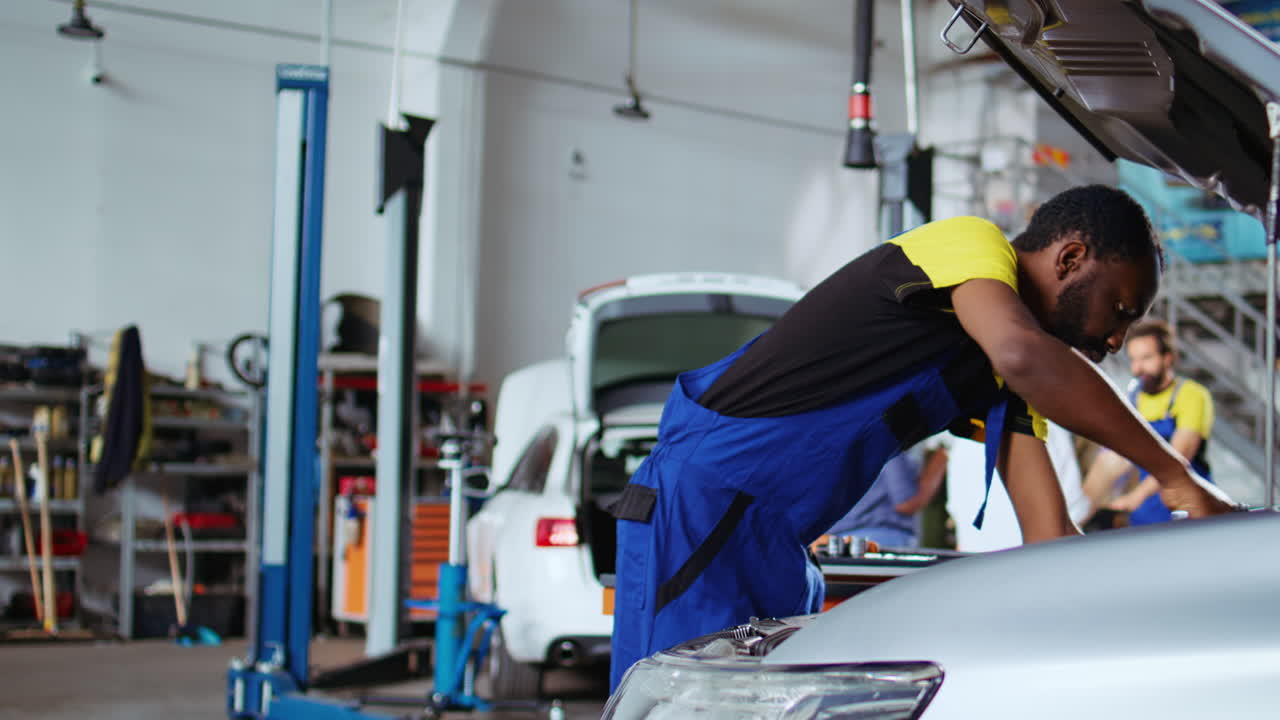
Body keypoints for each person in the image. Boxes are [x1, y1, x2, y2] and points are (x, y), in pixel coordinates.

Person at [607, 185, 1237, 690]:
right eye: (1121, 310)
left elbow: (1049, 534)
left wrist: (1172, 586)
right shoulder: (971, 245)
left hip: (776, 542)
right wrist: (1176, 476)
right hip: (700, 510)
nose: (1117, 341)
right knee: (674, 704)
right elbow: (1024, 354)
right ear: (1071, 259)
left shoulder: (1003, 376)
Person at [1081, 319, 1215, 525]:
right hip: (1145, 514)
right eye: (1133, 360)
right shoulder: (1134, 398)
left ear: (1168, 358)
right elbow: (1115, 456)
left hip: (1189, 509)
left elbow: (1178, 459)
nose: (1138, 368)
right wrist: (1081, 506)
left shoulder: (1191, 395)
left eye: (1146, 358)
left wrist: (1134, 499)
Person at [944, 420, 1090, 551]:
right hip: (1039, 563)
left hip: (978, 566)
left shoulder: (963, 439)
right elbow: (1064, 526)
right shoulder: (1044, 427)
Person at [824, 441, 948, 548]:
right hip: (879, 539)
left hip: (835, 541)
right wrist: (940, 458)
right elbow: (906, 502)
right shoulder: (887, 436)